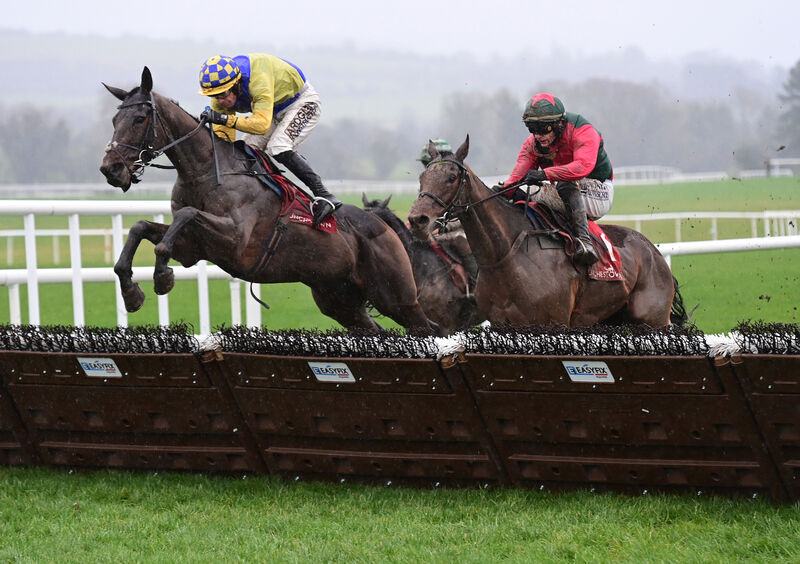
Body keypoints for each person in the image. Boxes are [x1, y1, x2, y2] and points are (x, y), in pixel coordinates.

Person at [198, 54, 341, 226]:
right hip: (272, 110)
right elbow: (223, 140)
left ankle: (324, 194)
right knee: (244, 151)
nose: (221, 100)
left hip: (302, 103)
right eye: (215, 96)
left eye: (223, 94)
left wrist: (224, 119)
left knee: (278, 146)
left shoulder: (257, 78)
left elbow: (261, 125)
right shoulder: (220, 96)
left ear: (236, 83)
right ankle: (264, 199)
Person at [499, 93, 614, 266]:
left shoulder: (583, 131)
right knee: (520, 190)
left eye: (543, 128)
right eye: (532, 128)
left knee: (564, 183)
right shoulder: (532, 145)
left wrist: (544, 174)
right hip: (568, 192)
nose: (538, 135)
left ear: (559, 124)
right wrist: (496, 192)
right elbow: (516, 179)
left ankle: (584, 242)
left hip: (597, 193)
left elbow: (582, 167)